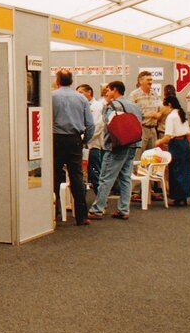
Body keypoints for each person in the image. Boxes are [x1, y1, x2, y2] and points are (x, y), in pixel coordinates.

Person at [88, 80, 142, 220]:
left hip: (116, 146)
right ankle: (124, 209)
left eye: (108, 90)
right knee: (125, 177)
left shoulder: (112, 106)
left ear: (115, 90)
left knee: (106, 178)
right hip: (133, 143)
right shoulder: (134, 106)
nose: (106, 93)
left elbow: (108, 123)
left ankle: (97, 209)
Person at [51, 70, 94, 226]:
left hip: (55, 139)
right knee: (76, 176)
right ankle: (81, 216)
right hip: (75, 140)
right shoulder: (81, 98)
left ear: (57, 81)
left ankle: (53, 214)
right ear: (71, 81)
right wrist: (84, 141)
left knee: (55, 176)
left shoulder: (51, 96)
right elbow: (90, 124)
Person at [156, 95, 190, 206]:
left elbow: (168, 136)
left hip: (176, 143)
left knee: (175, 170)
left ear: (169, 105)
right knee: (184, 169)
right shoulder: (181, 113)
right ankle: (184, 196)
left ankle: (177, 197)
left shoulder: (171, 117)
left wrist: (159, 141)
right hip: (184, 142)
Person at [129, 71, 162, 153]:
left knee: (152, 156)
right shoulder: (134, 95)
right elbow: (130, 113)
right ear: (141, 81)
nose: (150, 82)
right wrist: (146, 115)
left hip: (153, 129)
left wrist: (159, 114)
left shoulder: (154, 94)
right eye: (148, 80)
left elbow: (160, 108)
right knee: (138, 155)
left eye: (151, 80)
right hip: (141, 129)